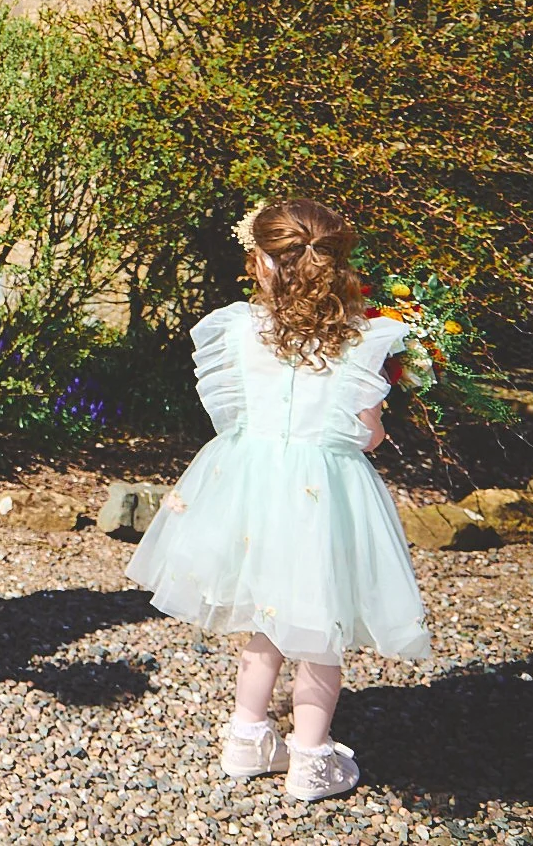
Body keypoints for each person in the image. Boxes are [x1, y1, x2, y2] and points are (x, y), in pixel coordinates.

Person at [127, 198, 429, 802]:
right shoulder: (366, 339)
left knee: (266, 614)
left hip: (250, 488)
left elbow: (230, 418)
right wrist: (381, 426)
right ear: (337, 265)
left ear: (262, 263)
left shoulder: (237, 329)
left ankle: (247, 737)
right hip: (326, 495)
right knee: (322, 622)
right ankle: (312, 759)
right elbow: (364, 435)